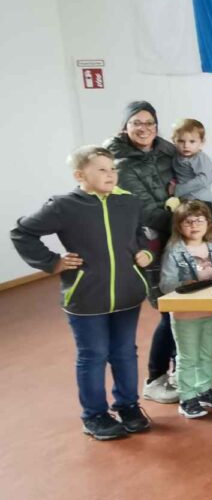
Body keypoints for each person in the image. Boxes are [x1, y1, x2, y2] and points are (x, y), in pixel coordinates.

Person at [10, 146, 154, 440]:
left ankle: (128, 406)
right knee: (94, 355)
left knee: (125, 353)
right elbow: (22, 233)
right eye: (101, 169)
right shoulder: (64, 206)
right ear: (80, 175)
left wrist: (144, 254)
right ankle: (95, 415)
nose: (110, 174)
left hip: (127, 294)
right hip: (86, 297)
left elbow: (139, 235)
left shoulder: (129, 202)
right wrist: (52, 262)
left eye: (112, 168)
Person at [104, 100, 178, 405]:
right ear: (125, 126)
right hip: (149, 243)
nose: (144, 128)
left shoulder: (167, 151)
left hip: (178, 238)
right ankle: (155, 378)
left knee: (184, 309)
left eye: (149, 122)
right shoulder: (118, 161)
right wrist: (194, 221)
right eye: (137, 122)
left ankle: (178, 372)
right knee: (169, 310)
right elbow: (146, 210)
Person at [160, 201, 212, 419]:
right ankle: (187, 396)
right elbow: (167, 283)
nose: (194, 225)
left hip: (209, 310)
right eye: (188, 222)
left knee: (206, 353)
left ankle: (203, 389)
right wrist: (187, 285)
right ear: (179, 226)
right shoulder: (174, 251)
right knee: (187, 357)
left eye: (199, 220)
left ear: (208, 224)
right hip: (185, 313)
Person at [170, 118, 212, 205]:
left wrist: (178, 189)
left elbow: (204, 179)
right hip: (185, 200)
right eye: (181, 141)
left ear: (201, 142)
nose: (186, 145)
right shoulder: (176, 156)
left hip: (200, 200)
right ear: (174, 141)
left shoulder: (200, 158)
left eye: (192, 141)